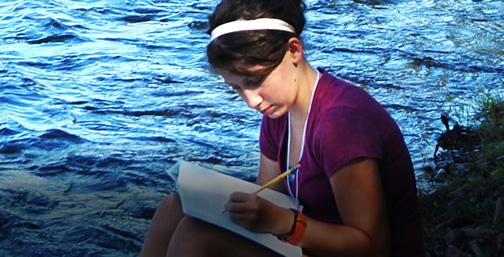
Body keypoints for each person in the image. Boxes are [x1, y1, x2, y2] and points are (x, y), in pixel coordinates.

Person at [140, 0, 425, 256]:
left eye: (254, 82)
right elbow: (267, 194)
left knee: (196, 236)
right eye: (236, 89)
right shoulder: (279, 113)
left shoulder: (341, 124)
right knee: (174, 208)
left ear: (293, 50)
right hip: (305, 244)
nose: (251, 101)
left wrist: (283, 222)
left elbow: (372, 247)